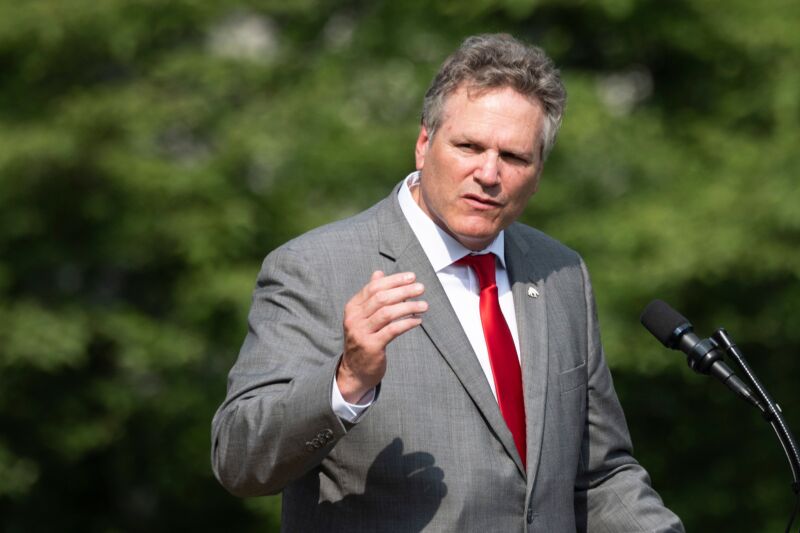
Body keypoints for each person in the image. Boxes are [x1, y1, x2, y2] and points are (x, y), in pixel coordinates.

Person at [211, 33, 684, 532]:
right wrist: (346, 380)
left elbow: (600, 476)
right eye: (469, 146)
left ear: (538, 172)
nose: (488, 173)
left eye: (515, 157)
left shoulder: (560, 272)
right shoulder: (314, 268)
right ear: (423, 144)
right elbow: (239, 462)